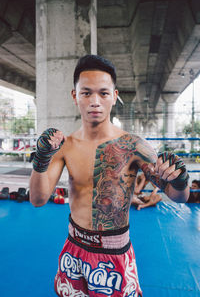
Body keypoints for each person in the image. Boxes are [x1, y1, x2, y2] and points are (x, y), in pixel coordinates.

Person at [29, 55, 189, 297]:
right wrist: (41, 160)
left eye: (103, 93)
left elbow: (179, 197)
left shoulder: (134, 145)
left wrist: (179, 180)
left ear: (114, 96)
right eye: (86, 93)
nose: (95, 101)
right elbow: (37, 199)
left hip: (114, 254)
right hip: (74, 248)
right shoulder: (65, 146)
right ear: (75, 96)